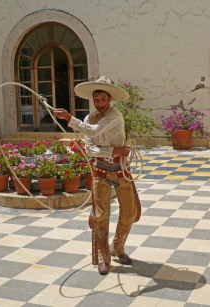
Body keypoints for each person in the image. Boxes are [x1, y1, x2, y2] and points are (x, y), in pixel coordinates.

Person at [54, 76, 141, 275]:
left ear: (109, 100)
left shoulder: (115, 116)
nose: (99, 103)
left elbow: (95, 132)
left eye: (103, 99)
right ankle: (104, 257)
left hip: (120, 170)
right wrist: (112, 151)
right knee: (101, 216)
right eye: (96, 99)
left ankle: (118, 247)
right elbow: (90, 149)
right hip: (101, 170)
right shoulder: (88, 118)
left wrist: (69, 118)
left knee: (130, 212)